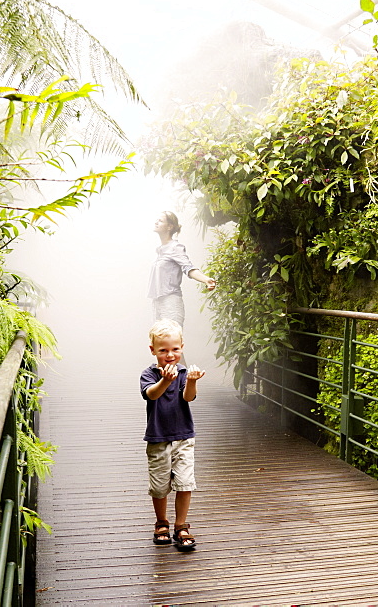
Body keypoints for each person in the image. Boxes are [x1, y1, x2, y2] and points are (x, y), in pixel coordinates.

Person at [140, 319, 205, 551]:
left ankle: (181, 525)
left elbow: (188, 398)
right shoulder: (148, 374)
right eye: (163, 350)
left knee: (185, 482)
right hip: (158, 438)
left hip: (184, 436)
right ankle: (161, 523)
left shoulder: (184, 372)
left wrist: (192, 382)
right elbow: (151, 395)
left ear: (182, 348)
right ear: (153, 351)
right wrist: (164, 380)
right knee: (159, 486)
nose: (170, 355)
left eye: (175, 349)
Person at [148, 211, 216, 327]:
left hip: (171, 302)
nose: (156, 222)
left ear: (170, 227)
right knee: (159, 343)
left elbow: (188, 267)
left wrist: (205, 279)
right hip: (157, 303)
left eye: (160, 221)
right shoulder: (160, 250)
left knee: (171, 342)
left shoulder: (175, 247)